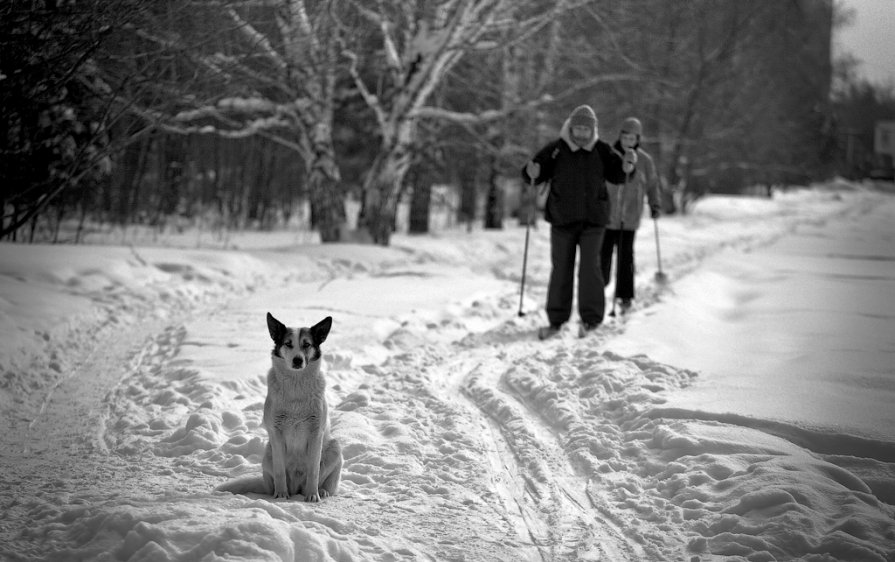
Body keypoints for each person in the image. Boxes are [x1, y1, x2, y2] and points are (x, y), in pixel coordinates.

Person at [521, 105, 635, 339]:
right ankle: (557, 318)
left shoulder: (602, 150)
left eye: (586, 129)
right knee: (561, 267)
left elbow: (618, 174)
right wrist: (530, 171)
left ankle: (591, 318)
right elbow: (535, 171)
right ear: (570, 127)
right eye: (578, 128)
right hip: (562, 219)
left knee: (590, 268)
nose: (581, 134)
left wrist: (628, 166)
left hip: (594, 221)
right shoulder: (556, 150)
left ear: (593, 130)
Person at [600, 117, 661, 315]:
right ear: (620, 137)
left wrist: (655, 204)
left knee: (626, 258)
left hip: (630, 217)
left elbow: (652, 184)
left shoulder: (644, 161)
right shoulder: (609, 154)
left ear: (638, 139)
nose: (628, 141)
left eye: (632, 138)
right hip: (608, 216)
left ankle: (624, 295)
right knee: (603, 255)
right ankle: (598, 288)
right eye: (625, 137)